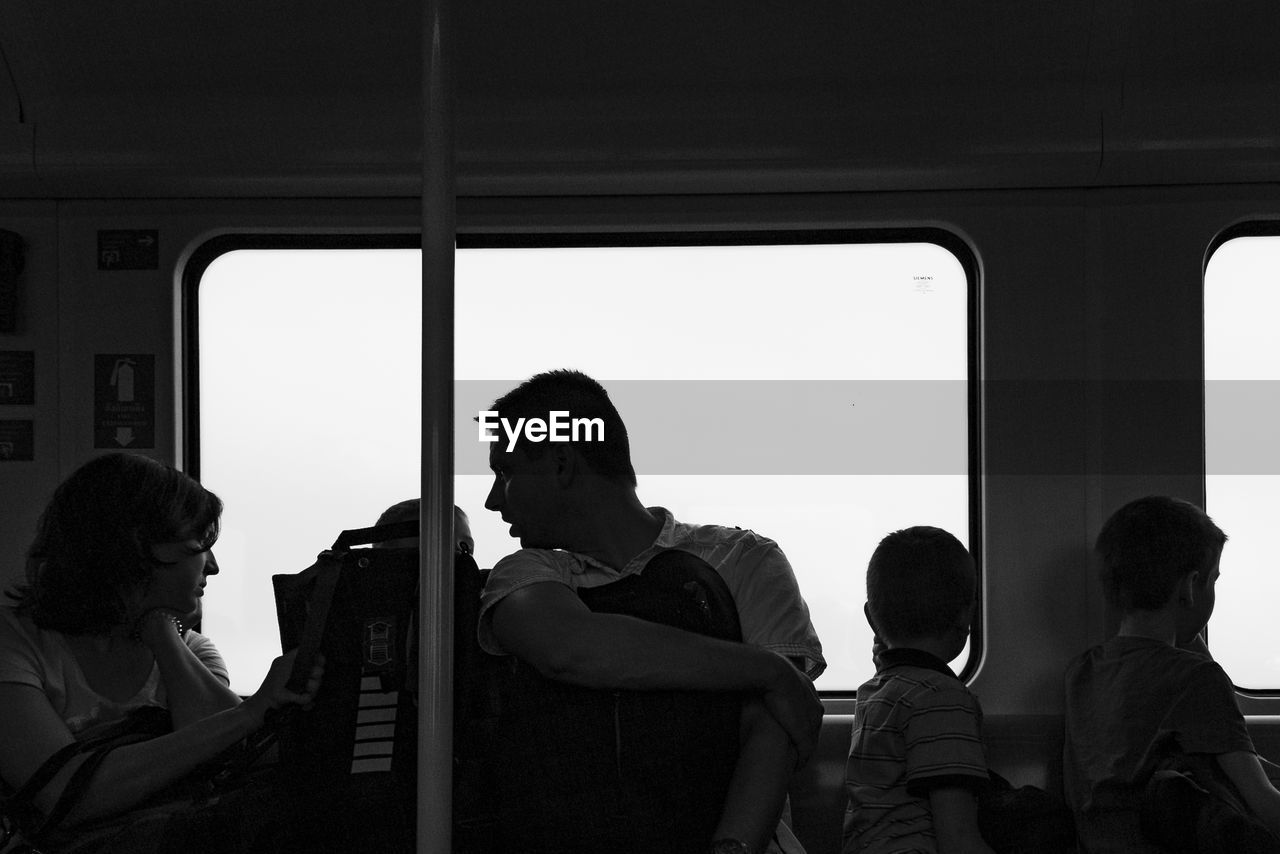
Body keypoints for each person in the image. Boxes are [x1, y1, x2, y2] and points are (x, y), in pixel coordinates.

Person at [477, 369, 824, 854]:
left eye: (505, 472)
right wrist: (769, 671)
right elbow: (569, 647)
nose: (493, 500)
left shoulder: (744, 559)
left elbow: (775, 726)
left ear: (560, 464)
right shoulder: (526, 575)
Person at [0, 452, 322, 853]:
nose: (214, 566)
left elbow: (224, 759)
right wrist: (251, 711)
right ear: (131, 551)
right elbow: (65, 795)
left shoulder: (195, 652)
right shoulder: (15, 642)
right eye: (197, 546)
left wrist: (161, 630)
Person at [1064, 496, 1280, 853]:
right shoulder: (1196, 679)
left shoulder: (1082, 671)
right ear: (1190, 587)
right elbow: (1262, 803)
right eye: (1213, 581)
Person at [843, 526, 995, 854]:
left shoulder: (873, 694)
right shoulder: (943, 699)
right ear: (966, 615)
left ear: (872, 619)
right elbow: (957, 839)